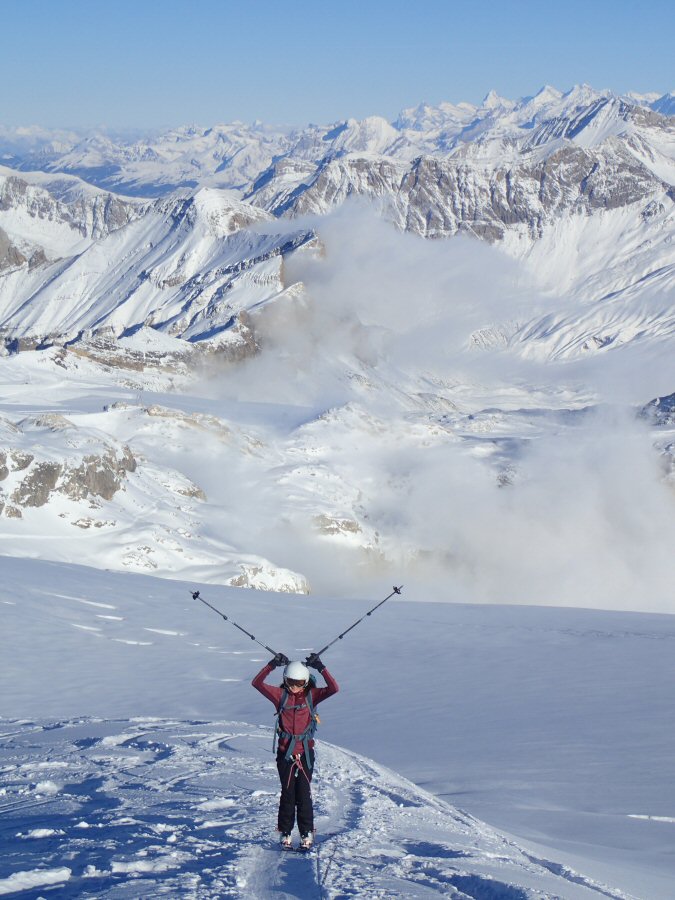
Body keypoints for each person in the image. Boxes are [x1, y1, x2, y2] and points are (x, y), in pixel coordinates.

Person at [252, 651, 339, 850]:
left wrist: (321, 667)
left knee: (303, 794)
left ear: (306, 682)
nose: (294, 686)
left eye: (299, 682)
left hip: (305, 754)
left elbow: (334, 688)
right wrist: (271, 665)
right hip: (285, 754)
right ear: (285, 679)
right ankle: (285, 832)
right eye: (291, 681)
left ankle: (307, 832)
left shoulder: (312, 696)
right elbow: (257, 683)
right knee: (288, 794)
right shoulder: (280, 696)